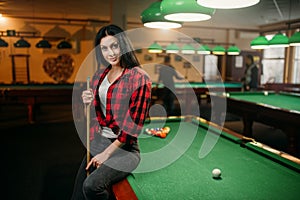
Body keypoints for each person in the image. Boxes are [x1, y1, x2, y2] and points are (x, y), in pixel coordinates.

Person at [71, 24, 152, 200]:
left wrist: (106, 154)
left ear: (123, 45)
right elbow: (92, 118)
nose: (111, 53)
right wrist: (88, 104)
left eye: (114, 46)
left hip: (125, 150)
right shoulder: (99, 76)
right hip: (98, 141)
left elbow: (133, 127)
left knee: (92, 186)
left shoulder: (139, 77)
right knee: (77, 196)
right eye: (104, 48)